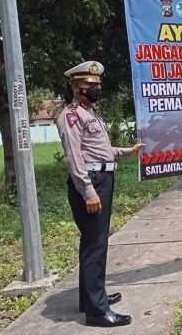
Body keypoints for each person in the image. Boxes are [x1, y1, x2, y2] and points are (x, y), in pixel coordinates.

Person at [57, 61, 143, 327]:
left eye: (98, 85)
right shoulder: (70, 116)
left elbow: (97, 150)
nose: (96, 89)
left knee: (92, 241)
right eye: (91, 85)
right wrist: (88, 191)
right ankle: (96, 311)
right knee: (96, 244)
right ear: (76, 87)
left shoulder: (89, 114)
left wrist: (125, 152)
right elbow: (74, 158)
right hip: (92, 182)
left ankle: (89, 297)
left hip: (102, 177)